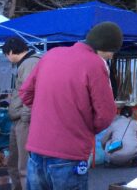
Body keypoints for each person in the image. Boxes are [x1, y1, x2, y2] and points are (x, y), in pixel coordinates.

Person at [20, 21, 121, 190]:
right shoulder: (94, 64)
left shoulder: (51, 55)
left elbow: (25, 93)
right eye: (112, 51)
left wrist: (46, 112)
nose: (111, 56)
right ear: (103, 47)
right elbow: (106, 113)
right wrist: (84, 126)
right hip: (69, 153)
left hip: (36, 150)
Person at [1, 37, 39, 190]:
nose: (7, 58)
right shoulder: (27, 63)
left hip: (24, 121)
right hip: (18, 119)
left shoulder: (30, 63)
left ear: (11, 51)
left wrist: (25, 116)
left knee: (24, 165)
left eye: (6, 54)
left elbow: (32, 92)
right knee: (14, 162)